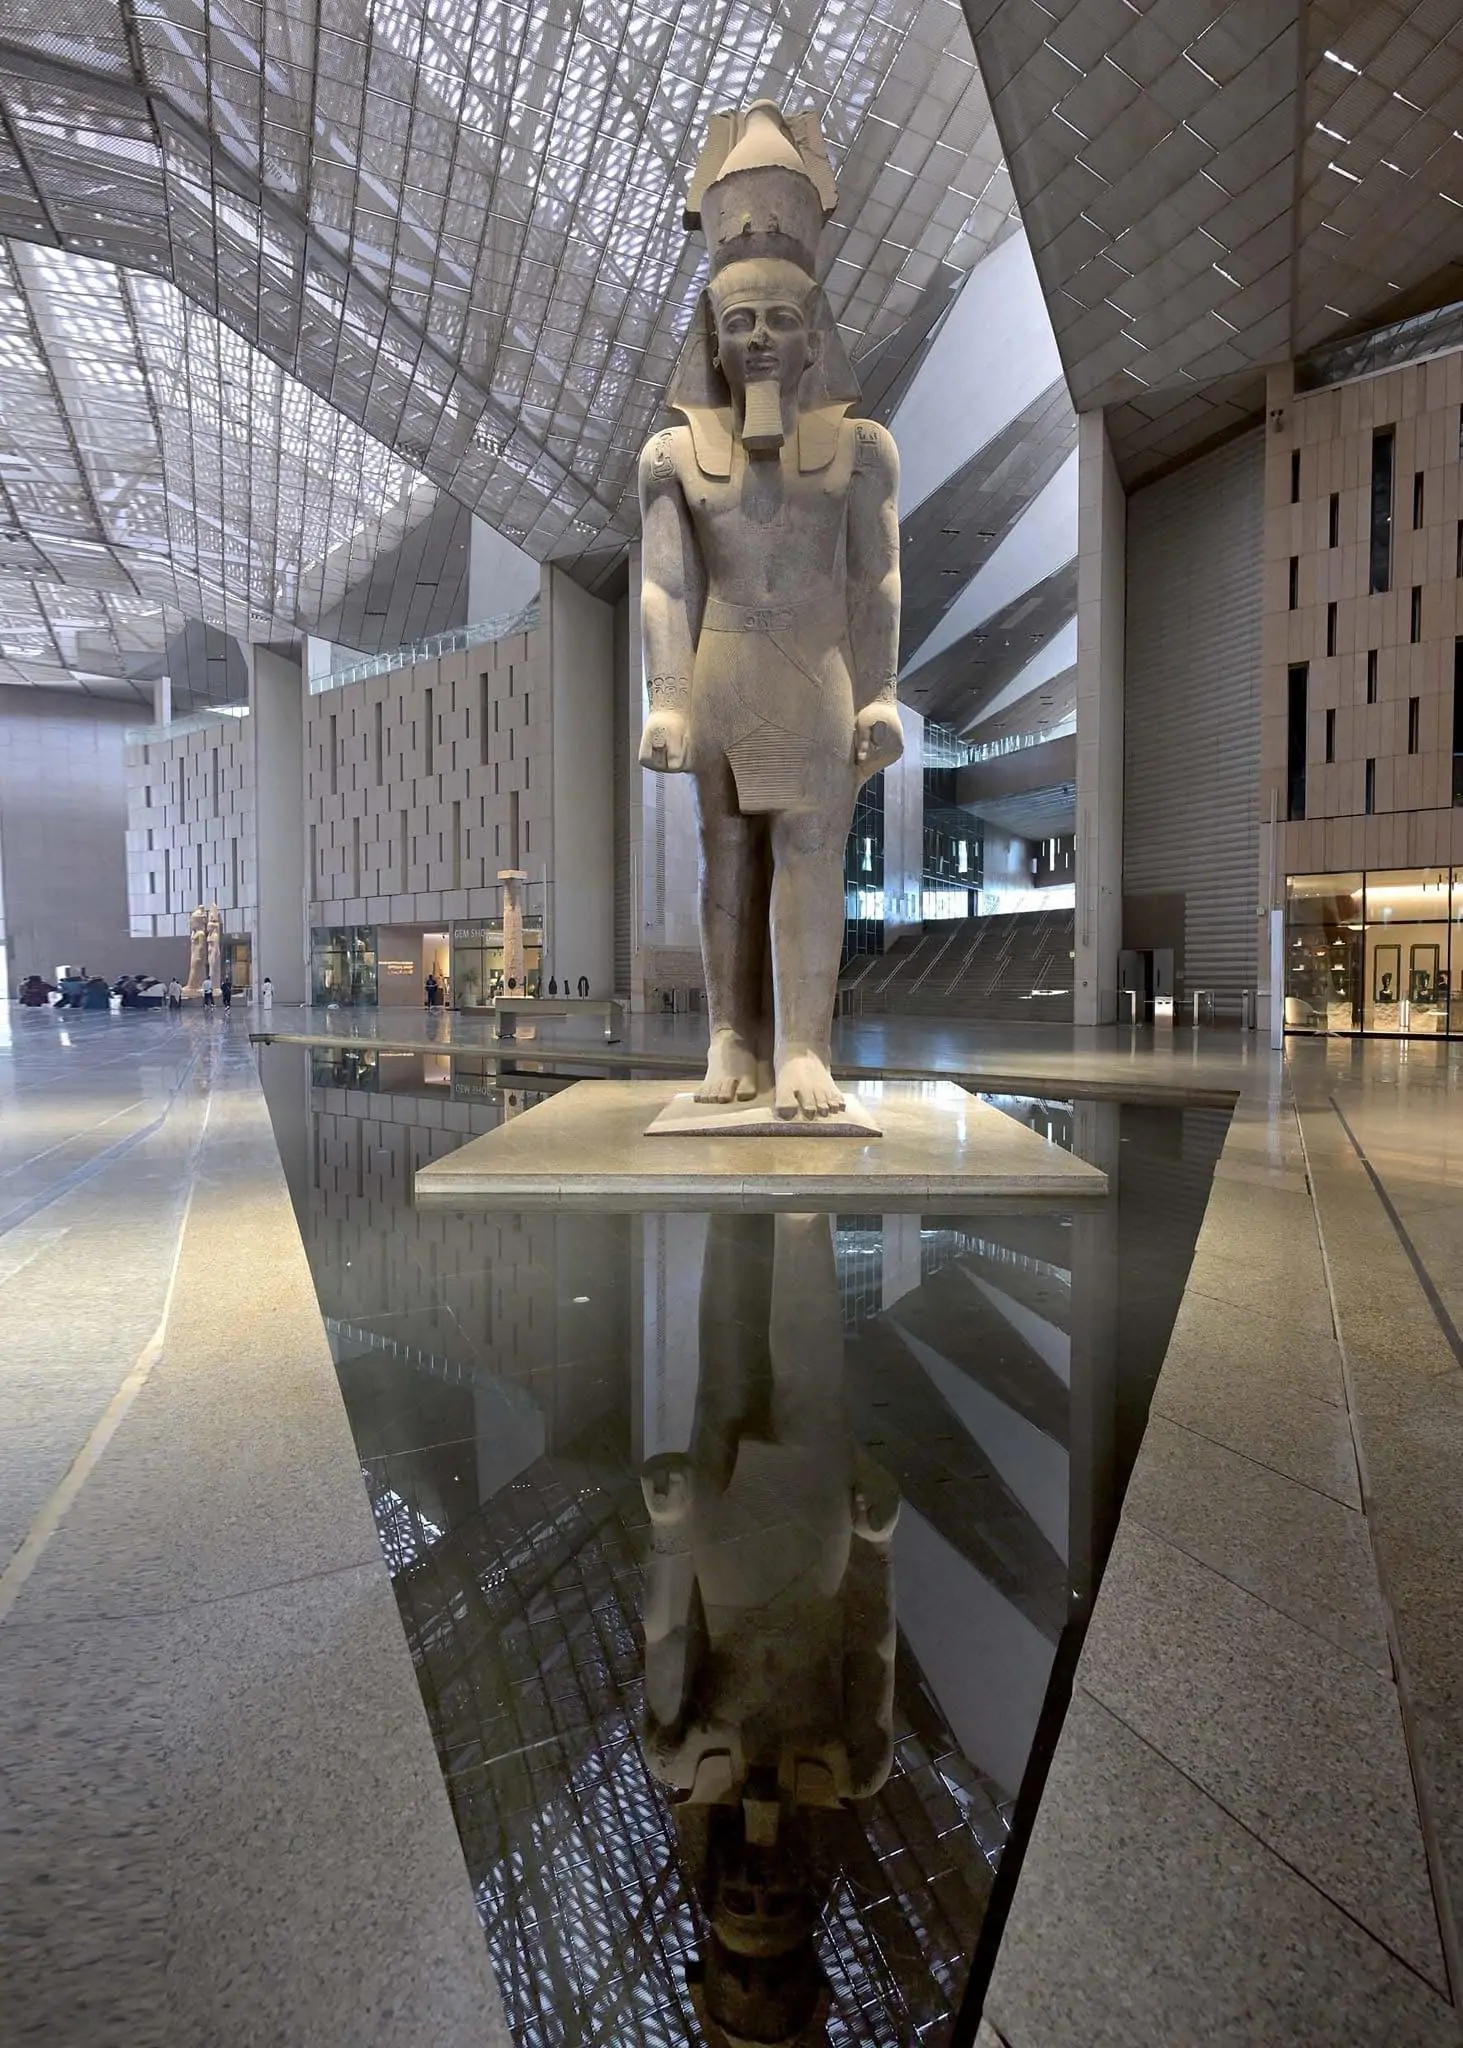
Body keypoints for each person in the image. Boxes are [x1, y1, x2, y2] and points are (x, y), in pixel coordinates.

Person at [638, 102, 901, 1119]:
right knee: (729, 855)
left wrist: (881, 693)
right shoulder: (671, 457)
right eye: (737, 321)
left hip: (816, 668)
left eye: (778, 320)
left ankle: (803, 1047)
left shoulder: (861, 450)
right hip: (721, 669)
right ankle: (729, 1035)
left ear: (813, 335)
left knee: (808, 850)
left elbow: (874, 579)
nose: (756, 339)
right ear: (710, 338)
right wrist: (666, 701)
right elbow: (666, 585)